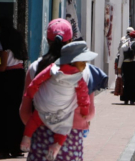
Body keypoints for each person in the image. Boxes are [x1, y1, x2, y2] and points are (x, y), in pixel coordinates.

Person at [20, 18, 95, 161]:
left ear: (47, 40)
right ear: (71, 40)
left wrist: (37, 123)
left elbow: (25, 111)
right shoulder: (83, 70)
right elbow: (89, 113)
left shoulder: (35, 68)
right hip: (71, 135)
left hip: (40, 131)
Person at [0, 18, 28, 158]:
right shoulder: (17, 40)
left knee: (3, 115)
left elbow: (2, 65)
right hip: (17, 78)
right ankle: (16, 146)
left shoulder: (3, 44)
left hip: (6, 80)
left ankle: (3, 148)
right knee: (15, 113)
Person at [117, 31, 135, 105]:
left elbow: (121, 57)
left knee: (127, 82)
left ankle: (125, 99)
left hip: (126, 65)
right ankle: (132, 99)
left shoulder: (124, 45)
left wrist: (119, 67)